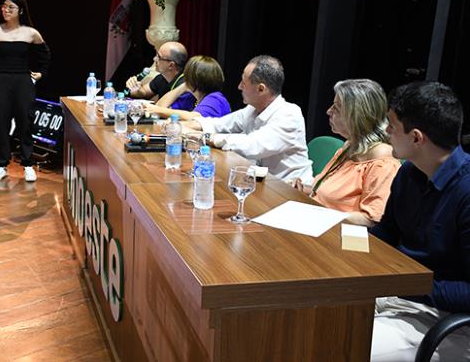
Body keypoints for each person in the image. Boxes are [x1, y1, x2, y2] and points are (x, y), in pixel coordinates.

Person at [369, 82, 470, 361]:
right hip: (399, 296)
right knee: (308, 317)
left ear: (416, 137)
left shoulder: (466, 191)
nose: (386, 132)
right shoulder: (409, 174)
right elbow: (385, 233)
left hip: (448, 320)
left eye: (391, 125)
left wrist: (405, 285)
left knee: (340, 345)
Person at [183, 55, 313, 183]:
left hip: (290, 191)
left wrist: (206, 137)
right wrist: (185, 126)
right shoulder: (252, 109)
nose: (239, 87)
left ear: (261, 89)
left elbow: (252, 145)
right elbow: (220, 124)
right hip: (262, 184)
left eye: (244, 83)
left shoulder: (289, 114)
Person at [292, 79, 400, 226]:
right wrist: (304, 190)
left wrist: (322, 216)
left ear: (358, 115)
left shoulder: (383, 161)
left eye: (336, 108)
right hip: (319, 225)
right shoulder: (350, 146)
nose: (328, 111)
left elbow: (371, 219)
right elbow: (328, 194)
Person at [0, 0, 50, 182]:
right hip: (1, 80)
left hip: (23, 80)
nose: (6, 10)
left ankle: (27, 164)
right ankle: (2, 164)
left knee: (26, 120)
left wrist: (41, 72)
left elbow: (45, 55)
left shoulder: (31, 33)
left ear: (21, 10)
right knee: (1, 121)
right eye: (4, 6)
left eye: (11, 7)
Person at [144, 55, 230, 119]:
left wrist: (158, 110)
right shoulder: (191, 97)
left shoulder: (216, 98)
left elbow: (195, 117)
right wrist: (184, 86)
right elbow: (160, 106)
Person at [126, 41, 196, 110]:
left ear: (171, 65)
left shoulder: (186, 85)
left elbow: (166, 112)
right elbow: (144, 92)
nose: (154, 59)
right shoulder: (162, 77)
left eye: (159, 57)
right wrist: (135, 88)